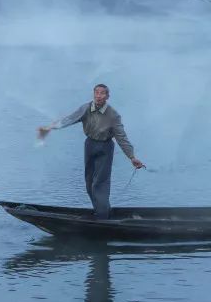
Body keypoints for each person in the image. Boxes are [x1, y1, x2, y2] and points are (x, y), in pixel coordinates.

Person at [38, 84, 145, 219]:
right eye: (96, 93)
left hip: (105, 147)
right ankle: (102, 210)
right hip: (89, 145)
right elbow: (69, 119)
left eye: (102, 93)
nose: (99, 96)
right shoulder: (86, 108)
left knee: (100, 183)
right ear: (93, 94)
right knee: (89, 182)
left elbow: (121, 137)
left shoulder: (113, 115)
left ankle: (102, 217)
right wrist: (50, 128)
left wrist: (132, 157)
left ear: (107, 96)